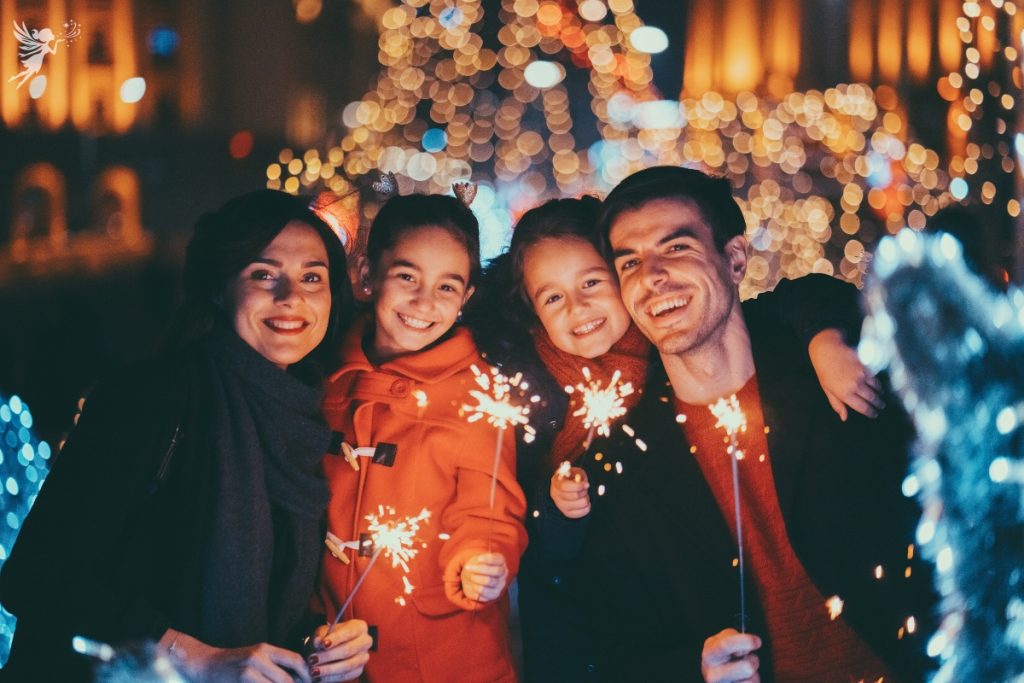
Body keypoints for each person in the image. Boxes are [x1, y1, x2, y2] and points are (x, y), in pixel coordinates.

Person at [469, 196, 887, 681]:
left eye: (591, 282)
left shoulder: (675, 343)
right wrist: (556, 508)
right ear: (533, 311)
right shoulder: (529, 395)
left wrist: (822, 336)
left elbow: (789, 300)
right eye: (553, 298)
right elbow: (559, 574)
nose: (578, 307)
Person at [580, 166, 936, 682]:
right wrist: (693, 669)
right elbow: (617, 647)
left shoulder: (833, 369)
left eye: (676, 247)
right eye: (630, 262)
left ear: (735, 260)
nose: (652, 276)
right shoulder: (622, 460)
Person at [0, 190, 373, 683]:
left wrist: (318, 644)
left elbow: (262, 608)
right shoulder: (153, 397)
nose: (291, 297)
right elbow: (35, 575)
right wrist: (190, 654)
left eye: (312, 277)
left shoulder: (305, 421)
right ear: (219, 288)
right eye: (263, 274)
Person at [315, 193, 527, 682]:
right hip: (333, 650)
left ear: (466, 298)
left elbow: (488, 510)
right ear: (367, 275)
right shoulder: (323, 378)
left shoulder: (479, 394)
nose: (424, 302)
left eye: (446, 286)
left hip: (443, 657)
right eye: (407, 277)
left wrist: (480, 560)